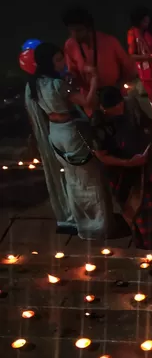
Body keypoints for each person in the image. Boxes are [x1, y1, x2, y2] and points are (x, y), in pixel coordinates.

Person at [23, 42, 111, 239]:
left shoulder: (35, 84)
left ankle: (81, 223)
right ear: (47, 62)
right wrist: (95, 79)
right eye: (58, 59)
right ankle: (97, 226)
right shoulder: (57, 84)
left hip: (55, 133)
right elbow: (88, 102)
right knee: (89, 179)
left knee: (72, 180)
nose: (62, 62)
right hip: (71, 132)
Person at [94, 86, 152, 249]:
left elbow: (149, 127)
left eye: (120, 105)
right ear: (104, 108)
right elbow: (101, 156)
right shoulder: (99, 124)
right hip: (123, 174)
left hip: (145, 167)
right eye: (113, 108)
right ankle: (145, 242)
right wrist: (127, 163)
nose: (119, 110)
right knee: (137, 209)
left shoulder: (131, 107)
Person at [62, 7, 137, 115]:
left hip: (114, 98)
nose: (74, 35)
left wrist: (117, 86)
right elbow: (72, 71)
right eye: (71, 31)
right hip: (91, 101)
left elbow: (129, 68)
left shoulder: (109, 41)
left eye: (78, 30)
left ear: (89, 28)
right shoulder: (70, 44)